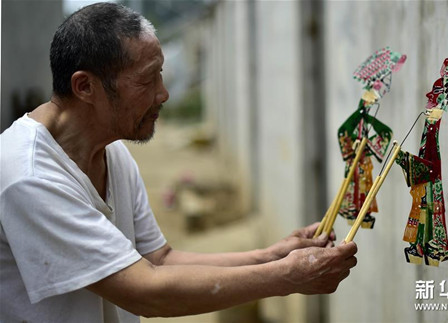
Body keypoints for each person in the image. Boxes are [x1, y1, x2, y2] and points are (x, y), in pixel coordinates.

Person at [0, 3, 357, 322]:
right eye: (146, 79)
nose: (163, 93)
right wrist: (287, 277)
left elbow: (159, 260)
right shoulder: (29, 175)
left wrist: (273, 256)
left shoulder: (111, 151)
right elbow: (147, 291)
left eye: (160, 74)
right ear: (85, 87)